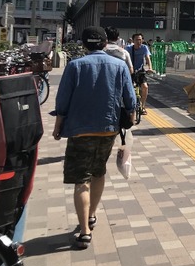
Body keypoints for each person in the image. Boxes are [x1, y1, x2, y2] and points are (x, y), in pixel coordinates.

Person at [51, 26, 137, 249]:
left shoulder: (75, 66)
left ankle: (85, 231)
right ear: (105, 42)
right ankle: (91, 215)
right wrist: (131, 113)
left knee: (82, 178)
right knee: (99, 171)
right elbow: (130, 98)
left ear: (84, 44)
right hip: (108, 128)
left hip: (80, 130)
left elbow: (63, 100)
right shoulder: (119, 65)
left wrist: (58, 126)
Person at [126, 33, 152, 115]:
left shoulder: (144, 48)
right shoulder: (128, 48)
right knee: (127, 89)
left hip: (140, 71)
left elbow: (147, 58)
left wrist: (150, 68)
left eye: (140, 39)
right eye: (137, 39)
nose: (138, 41)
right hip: (130, 71)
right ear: (133, 41)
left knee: (145, 87)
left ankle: (142, 106)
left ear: (143, 40)